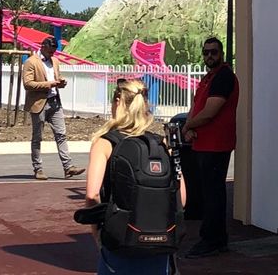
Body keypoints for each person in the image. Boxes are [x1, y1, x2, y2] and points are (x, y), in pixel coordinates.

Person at [84, 78, 175, 275]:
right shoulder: (161, 144)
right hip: (160, 242)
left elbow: (92, 195)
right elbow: (181, 197)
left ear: (118, 102)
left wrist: (97, 232)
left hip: (120, 239)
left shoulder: (105, 143)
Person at [182, 37, 240, 259]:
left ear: (221, 53)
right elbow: (196, 106)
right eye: (206, 52)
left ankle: (211, 239)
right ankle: (217, 237)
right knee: (209, 192)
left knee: (213, 193)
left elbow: (210, 112)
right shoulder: (208, 78)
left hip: (216, 145)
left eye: (213, 52)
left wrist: (188, 125)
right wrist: (189, 127)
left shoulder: (224, 77)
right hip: (203, 143)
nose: (209, 56)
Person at [22, 35, 84, 181]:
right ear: (43, 47)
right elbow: (28, 84)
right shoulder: (31, 62)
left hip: (55, 102)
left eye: (53, 52)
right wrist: (50, 84)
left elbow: (57, 78)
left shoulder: (55, 61)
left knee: (61, 135)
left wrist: (60, 83)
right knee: (37, 137)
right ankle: (38, 169)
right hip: (39, 104)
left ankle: (68, 167)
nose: (52, 54)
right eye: (50, 51)